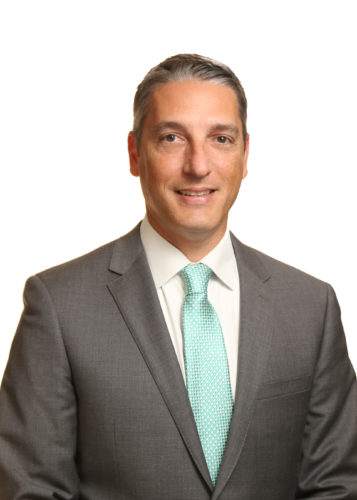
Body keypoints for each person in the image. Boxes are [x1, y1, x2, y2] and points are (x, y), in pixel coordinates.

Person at [0, 54, 356, 500]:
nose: (198, 165)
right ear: (134, 153)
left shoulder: (310, 307)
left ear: (245, 154)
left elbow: (337, 486)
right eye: (172, 138)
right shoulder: (59, 307)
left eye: (221, 139)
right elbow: (30, 490)